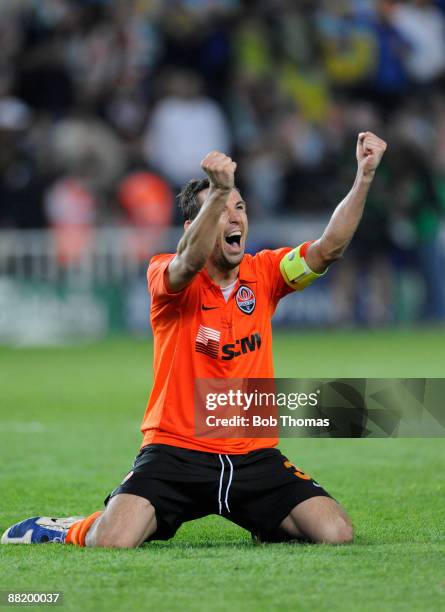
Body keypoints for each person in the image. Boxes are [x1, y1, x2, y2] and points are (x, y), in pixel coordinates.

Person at [1, 132, 387, 548]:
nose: (234, 216)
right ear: (193, 226)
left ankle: (262, 517)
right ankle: (66, 527)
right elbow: (187, 262)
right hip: (175, 451)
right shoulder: (165, 272)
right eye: (221, 209)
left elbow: (329, 247)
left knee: (335, 533)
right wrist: (218, 190)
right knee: (112, 541)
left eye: (239, 206)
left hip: (253, 456)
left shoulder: (266, 274)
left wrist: (363, 177)